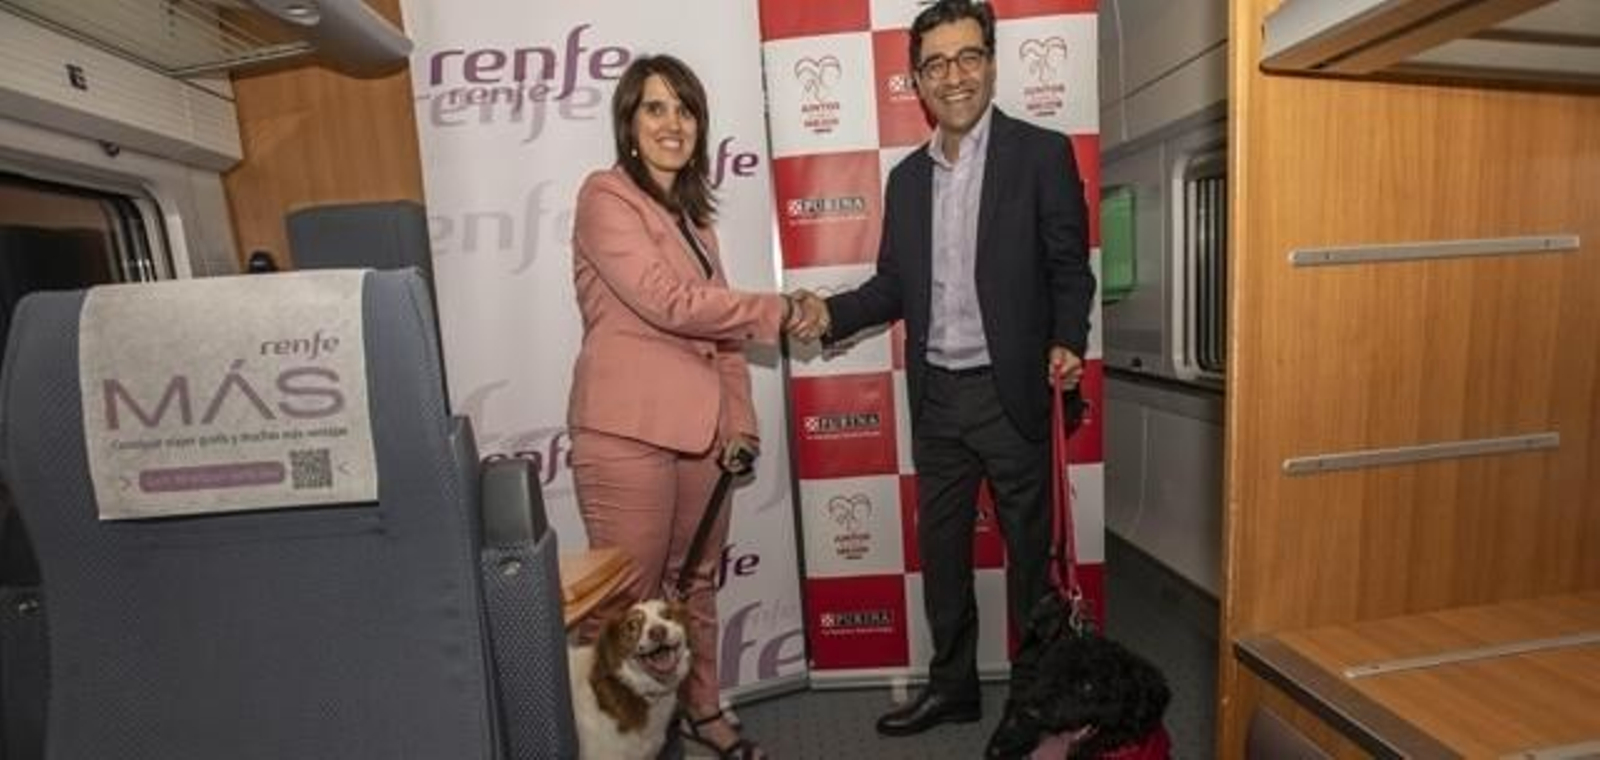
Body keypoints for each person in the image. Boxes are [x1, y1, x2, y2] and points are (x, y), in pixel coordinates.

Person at [788, 0, 1096, 748]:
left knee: (1032, 562)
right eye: (936, 64)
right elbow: (894, 285)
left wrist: (1066, 339)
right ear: (916, 80)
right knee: (945, 559)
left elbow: (1069, 268)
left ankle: (1032, 702)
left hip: (1013, 393)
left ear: (990, 62)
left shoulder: (1043, 153)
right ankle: (953, 689)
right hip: (936, 401)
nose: (953, 76)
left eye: (967, 57)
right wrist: (828, 314)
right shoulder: (905, 181)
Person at [568, 54, 814, 759]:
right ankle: (618, 740)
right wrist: (783, 307)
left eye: (685, 109)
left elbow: (722, 334)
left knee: (694, 592)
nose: (673, 123)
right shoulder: (606, 197)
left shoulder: (696, 223)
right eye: (655, 108)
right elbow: (669, 304)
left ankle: (702, 713)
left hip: (703, 439)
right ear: (630, 123)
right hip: (629, 434)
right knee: (624, 606)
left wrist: (738, 423)